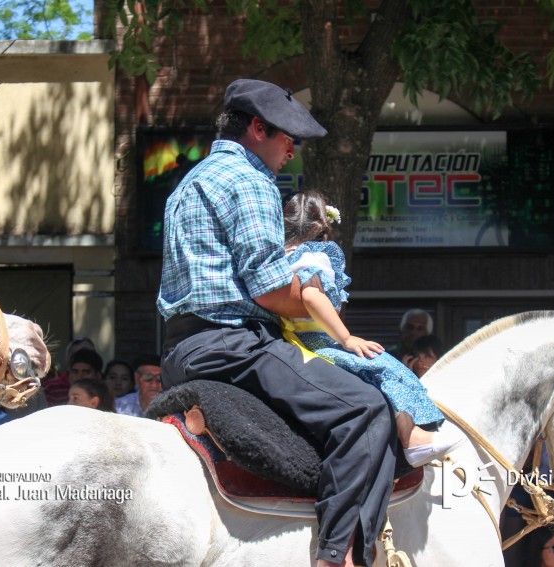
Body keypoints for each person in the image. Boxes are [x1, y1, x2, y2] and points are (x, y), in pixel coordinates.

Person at [158, 78, 396, 567]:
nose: (294, 149)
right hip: (231, 346)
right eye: (289, 135)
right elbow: (269, 291)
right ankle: (337, 558)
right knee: (367, 410)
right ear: (257, 127)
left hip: (182, 351)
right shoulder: (249, 180)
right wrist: (324, 309)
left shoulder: (191, 180)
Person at [281, 191, 459, 466]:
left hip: (292, 341)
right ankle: (411, 438)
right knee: (382, 366)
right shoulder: (313, 255)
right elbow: (312, 296)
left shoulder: (282, 255)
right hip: (316, 342)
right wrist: (347, 338)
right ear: (322, 227)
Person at [42, 336, 97, 406]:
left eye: (88, 354)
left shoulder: (105, 387)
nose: (82, 357)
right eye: (76, 355)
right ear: (68, 358)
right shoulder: (50, 387)